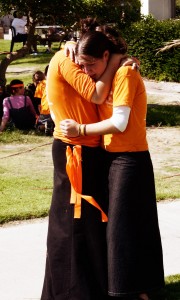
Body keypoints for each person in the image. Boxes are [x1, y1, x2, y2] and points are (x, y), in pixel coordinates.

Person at [60, 29, 165, 300]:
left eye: (91, 64)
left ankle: (132, 291)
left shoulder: (126, 74)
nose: (87, 71)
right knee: (121, 227)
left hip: (130, 159)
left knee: (124, 229)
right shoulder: (112, 73)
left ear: (107, 55)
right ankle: (132, 289)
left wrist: (80, 129)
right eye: (82, 66)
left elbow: (119, 123)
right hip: (113, 158)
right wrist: (69, 43)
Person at [40, 20, 134, 299]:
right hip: (74, 150)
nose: (86, 67)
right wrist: (117, 60)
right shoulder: (65, 58)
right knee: (73, 225)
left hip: (90, 150)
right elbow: (95, 94)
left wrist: (120, 62)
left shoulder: (84, 60)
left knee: (91, 225)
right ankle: (73, 291)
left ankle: (92, 287)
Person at [35, 65, 54, 135]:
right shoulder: (60, 82)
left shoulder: (41, 84)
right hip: (57, 111)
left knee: (37, 127)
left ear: (45, 74)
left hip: (45, 111)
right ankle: (52, 124)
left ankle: (43, 126)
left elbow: (37, 100)